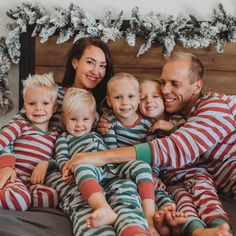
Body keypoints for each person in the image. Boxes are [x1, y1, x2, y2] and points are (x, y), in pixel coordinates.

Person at [66, 51, 235, 236]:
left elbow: (176, 147)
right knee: (181, 195)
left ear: (196, 87)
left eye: (175, 84)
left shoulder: (215, 105)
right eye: (163, 82)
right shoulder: (175, 116)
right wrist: (104, 120)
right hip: (200, 181)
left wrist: (101, 157)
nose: (164, 90)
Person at [42, 37, 152, 236]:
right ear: (75, 62)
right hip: (74, 170)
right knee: (83, 203)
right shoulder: (51, 94)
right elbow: (22, 123)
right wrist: (48, 163)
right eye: (90, 62)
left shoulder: (107, 101)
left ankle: (136, 230)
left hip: (108, 167)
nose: (96, 71)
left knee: (126, 192)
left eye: (102, 65)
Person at [58, 88, 157, 235]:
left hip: (112, 168)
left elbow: (113, 149)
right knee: (81, 166)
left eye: (85, 119)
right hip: (91, 173)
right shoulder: (64, 138)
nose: (79, 124)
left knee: (141, 166)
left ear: (93, 119)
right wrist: (66, 169)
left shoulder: (99, 131)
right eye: (73, 119)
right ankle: (102, 207)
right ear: (64, 119)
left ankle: (147, 222)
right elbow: (62, 158)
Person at [0, 73, 60, 211]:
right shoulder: (20, 125)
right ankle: (16, 197)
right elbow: (3, 139)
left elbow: (60, 158)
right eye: (32, 103)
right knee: (19, 200)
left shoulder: (57, 134)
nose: (38, 108)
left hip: (31, 183)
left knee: (52, 196)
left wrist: (47, 164)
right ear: (25, 106)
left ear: (54, 107)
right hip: (12, 176)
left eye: (45, 103)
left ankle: (22, 197)